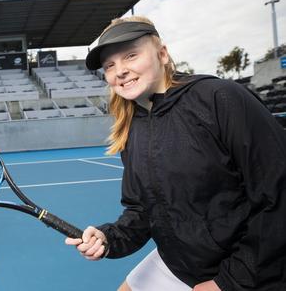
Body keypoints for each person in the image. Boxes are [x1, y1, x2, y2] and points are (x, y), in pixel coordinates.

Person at [65, 16, 286, 291]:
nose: (119, 71)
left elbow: (277, 197)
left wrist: (228, 282)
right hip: (182, 263)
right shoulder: (132, 128)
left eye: (131, 55)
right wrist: (108, 237)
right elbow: (142, 210)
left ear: (162, 54)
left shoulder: (220, 98)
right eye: (110, 65)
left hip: (252, 268)